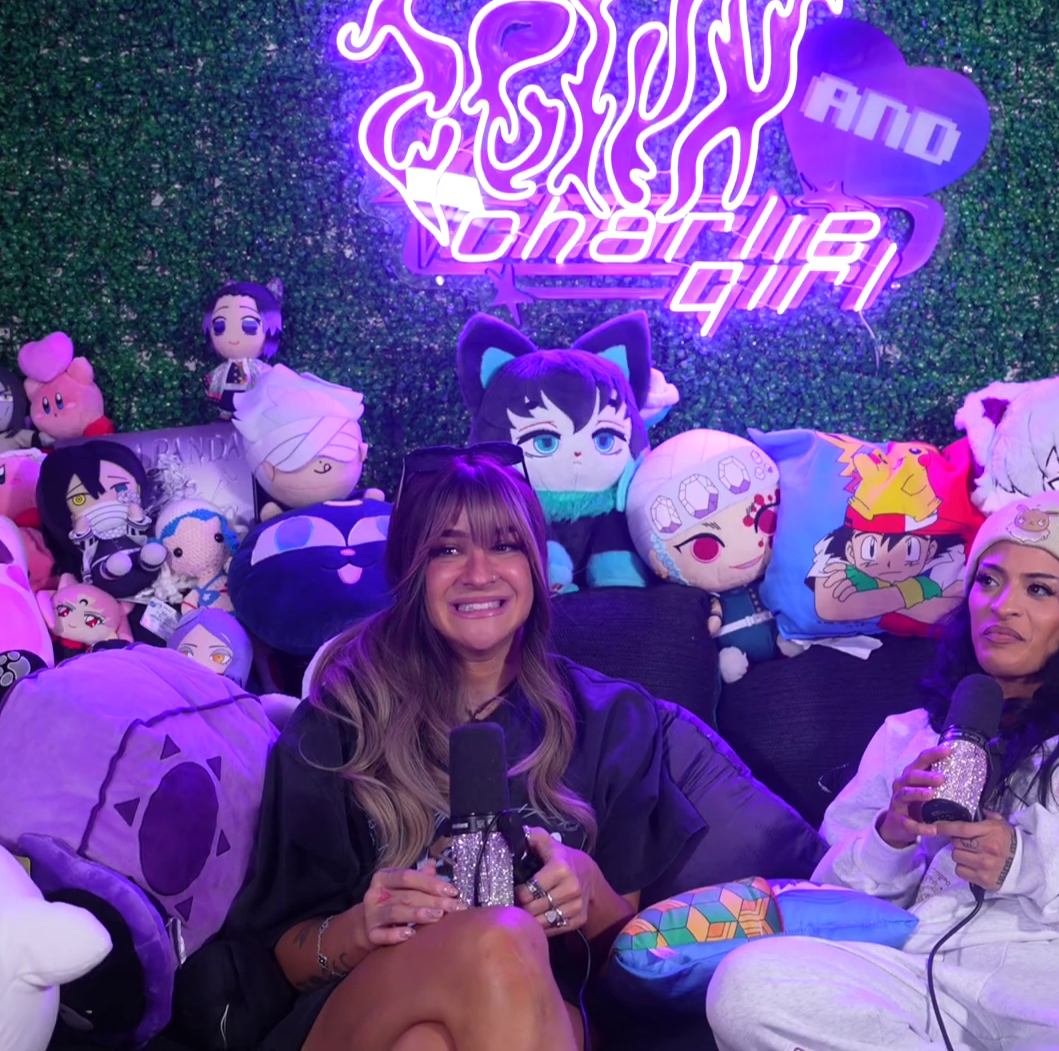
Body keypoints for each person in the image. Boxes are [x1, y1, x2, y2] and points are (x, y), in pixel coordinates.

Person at [706, 492, 1059, 1050]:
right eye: (988, 581)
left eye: (1038, 589)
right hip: (929, 977)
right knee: (750, 986)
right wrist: (892, 836)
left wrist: (1028, 859)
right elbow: (831, 906)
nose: (1003, 605)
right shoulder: (910, 734)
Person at [220, 443, 704, 1051]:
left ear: (536, 565)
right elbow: (281, 957)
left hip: (542, 1019)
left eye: (504, 545)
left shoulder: (613, 719)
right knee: (500, 937)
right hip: (361, 1012)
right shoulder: (340, 722)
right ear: (410, 571)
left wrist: (587, 886)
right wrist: (362, 927)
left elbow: (624, 963)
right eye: (446, 550)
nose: (478, 573)